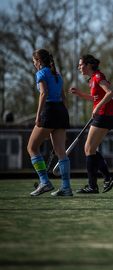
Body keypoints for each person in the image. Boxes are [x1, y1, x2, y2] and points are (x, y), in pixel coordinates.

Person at [70, 54, 113, 194]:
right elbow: (96, 98)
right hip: (103, 115)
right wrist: (80, 94)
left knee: (89, 149)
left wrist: (97, 108)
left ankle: (93, 185)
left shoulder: (98, 77)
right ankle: (107, 178)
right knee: (90, 149)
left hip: (104, 116)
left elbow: (110, 93)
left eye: (81, 65)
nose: (79, 67)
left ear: (88, 65)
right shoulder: (93, 79)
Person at [28, 49, 72, 197]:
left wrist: (38, 115)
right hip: (61, 111)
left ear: (39, 62)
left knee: (32, 147)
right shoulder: (57, 75)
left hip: (49, 110)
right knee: (61, 151)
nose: (34, 65)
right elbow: (64, 98)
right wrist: (63, 116)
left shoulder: (41, 73)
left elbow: (44, 94)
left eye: (34, 62)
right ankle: (66, 187)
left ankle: (45, 182)